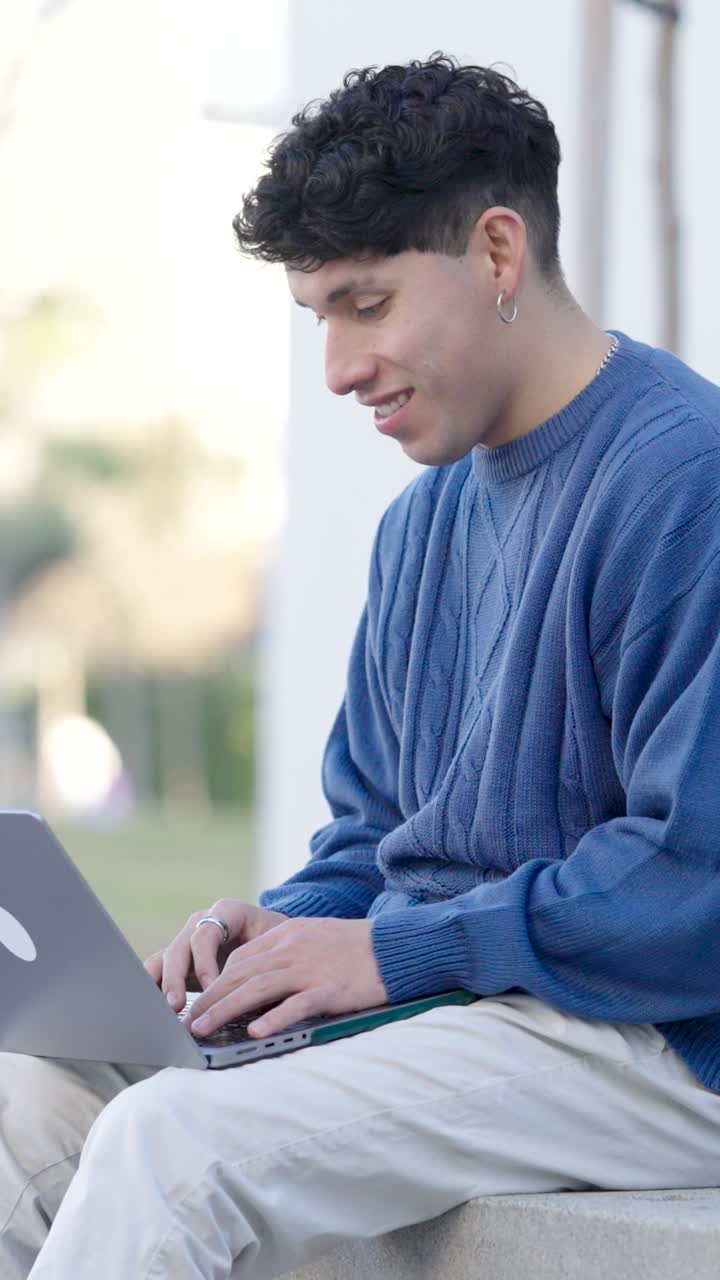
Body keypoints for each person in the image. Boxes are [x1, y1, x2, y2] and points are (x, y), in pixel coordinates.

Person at [4, 50, 720, 1280]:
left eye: (367, 304)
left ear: (498, 255)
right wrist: (279, 931)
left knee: (174, 1145)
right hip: (478, 1008)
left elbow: (691, 881)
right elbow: (377, 839)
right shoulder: (426, 521)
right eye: (318, 316)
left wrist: (394, 952)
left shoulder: (685, 477)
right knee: (26, 1105)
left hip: (656, 1038)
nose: (338, 367)